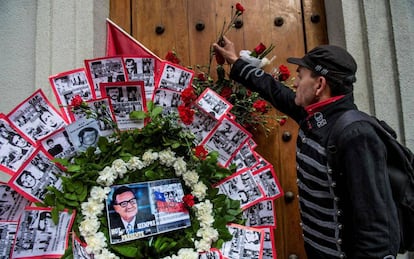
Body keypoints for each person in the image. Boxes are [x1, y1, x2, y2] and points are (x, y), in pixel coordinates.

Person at [213, 36, 400, 258]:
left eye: (300, 77)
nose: (294, 83)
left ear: (319, 85)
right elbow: (276, 92)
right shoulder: (317, 115)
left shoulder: (356, 135)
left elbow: (376, 227)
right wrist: (236, 62)